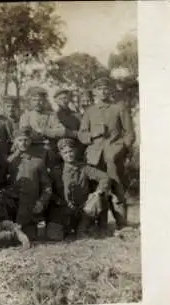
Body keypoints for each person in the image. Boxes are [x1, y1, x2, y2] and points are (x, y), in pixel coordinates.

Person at [78, 77, 135, 231]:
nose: (103, 91)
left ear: (109, 91)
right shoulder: (89, 111)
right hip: (95, 157)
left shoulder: (119, 108)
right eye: (99, 89)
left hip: (114, 156)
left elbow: (129, 133)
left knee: (117, 188)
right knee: (98, 189)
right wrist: (94, 134)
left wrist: (122, 148)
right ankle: (100, 224)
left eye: (105, 88)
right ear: (95, 92)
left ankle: (121, 223)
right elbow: (82, 135)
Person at [0, 127, 52, 241]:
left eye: (26, 140)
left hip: (31, 204)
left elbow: (47, 187)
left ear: (30, 141)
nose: (23, 143)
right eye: (20, 140)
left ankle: (21, 229)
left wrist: (42, 202)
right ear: (15, 142)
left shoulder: (38, 162)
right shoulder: (11, 160)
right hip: (14, 201)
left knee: (35, 234)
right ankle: (4, 228)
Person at [47, 138, 111, 241]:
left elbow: (105, 177)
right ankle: (70, 229)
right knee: (54, 236)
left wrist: (98, 192)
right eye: (65, 153)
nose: (69, 155)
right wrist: (58, 201)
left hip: (83, 209)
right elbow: (48, 190)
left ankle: (83, 228)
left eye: (71, 151)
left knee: (96, 200)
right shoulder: (56, 171)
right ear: (60, 154)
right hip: (64, 208)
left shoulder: (84, 168)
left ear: (75, 151)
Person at [19, 86, 77, 168]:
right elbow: (25, 136)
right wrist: (49, 134)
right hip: (32, 153)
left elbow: (62, 131)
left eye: (40, 100)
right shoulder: (25, 116)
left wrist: (43, 131)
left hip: (50, 153)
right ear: (30, 102)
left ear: (45, 101)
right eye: (34, 100)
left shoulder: (52, 115)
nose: (37, 103)